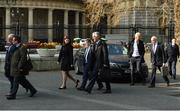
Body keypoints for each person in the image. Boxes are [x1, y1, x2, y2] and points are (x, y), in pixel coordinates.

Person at [6, 35, 37, 100]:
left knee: (16, 81)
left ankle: (13, 95)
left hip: (18, 68)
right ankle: (33, 90)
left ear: (17, 41)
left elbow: (23, 58)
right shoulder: (14, 47)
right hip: (13, 67)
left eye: (13, 40)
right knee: (23, 80)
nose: (12, 41)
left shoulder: (22, 47)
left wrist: (19, 66)